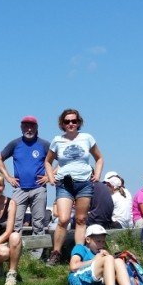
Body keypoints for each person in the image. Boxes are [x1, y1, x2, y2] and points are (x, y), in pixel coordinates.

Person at [44, 108, 104, 265]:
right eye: (67, 121)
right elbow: (48, 161)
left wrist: (97, 174)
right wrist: (51, 177)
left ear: (79, 123)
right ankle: (56, 253)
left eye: (74, 121)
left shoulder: (87, 138)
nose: (71, 124)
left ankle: (79, 253)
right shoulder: (57, 140)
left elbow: (99, 158)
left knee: (81, 219)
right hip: (65, 183)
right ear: (62, 124)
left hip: (84, 182)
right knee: (63, 219)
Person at [68, 224, 143, 285]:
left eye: (103, 242)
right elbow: (73, 267)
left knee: (118, 261)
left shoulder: (101, 251)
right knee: (109, 259)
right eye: (98, 241)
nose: (101, 245)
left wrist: (110, 260)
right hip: (78, 280)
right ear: (88, 240)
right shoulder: (81, 248)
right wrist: (95, 260)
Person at [0, 116, 50, 239]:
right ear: (21, 128)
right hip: (19, 189)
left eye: (32, 126)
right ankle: (16, 253)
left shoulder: (44, 144)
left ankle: (35, 257)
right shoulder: (15, 144)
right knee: (15, 222)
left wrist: (49, 176)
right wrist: (8, 177)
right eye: (26, 126)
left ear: (36, 128)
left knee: (38, 224)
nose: (29, 129)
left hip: (39, 189)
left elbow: (61, 160)